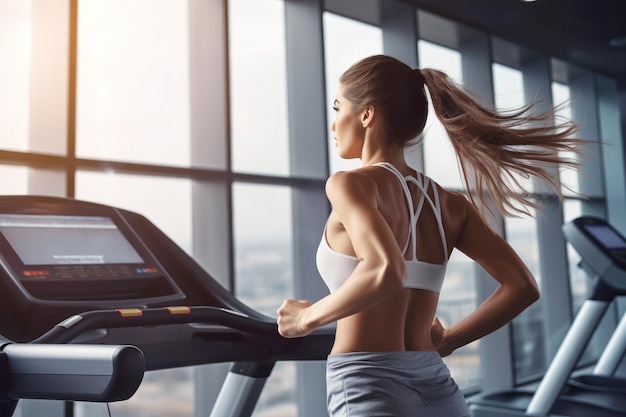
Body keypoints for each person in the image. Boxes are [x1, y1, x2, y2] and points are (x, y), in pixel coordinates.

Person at [276, 54, 581, 417]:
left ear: (367, 114)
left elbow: (386, 270)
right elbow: (522, 287)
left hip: (369, 384)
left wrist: (306, 319)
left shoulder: (349, 185)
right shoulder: (449, 204)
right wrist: (449, 341)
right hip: (438, 387)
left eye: (338, 106)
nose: (333, 124)